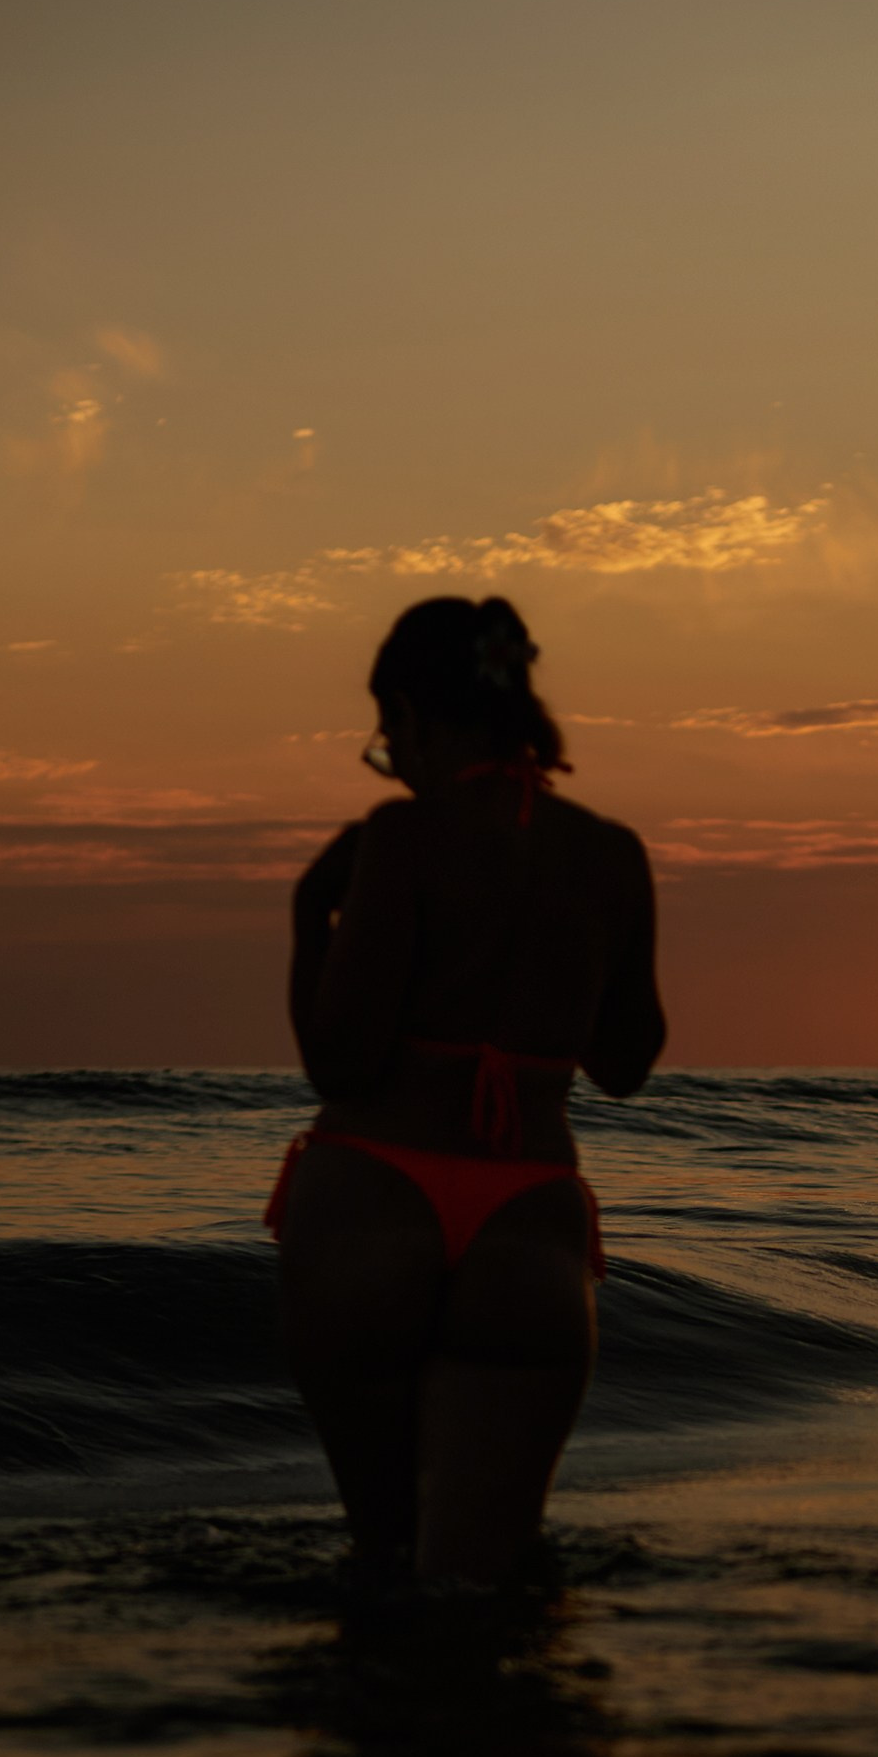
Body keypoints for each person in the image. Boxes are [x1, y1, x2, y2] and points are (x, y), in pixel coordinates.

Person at [268, 594, 664, 1604]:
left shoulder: (401, 841)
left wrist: (312, 919)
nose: (388, 757)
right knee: (483, 1591)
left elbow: (342, 1063)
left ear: (411, 711)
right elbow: (627, 1061)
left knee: (385, 1569)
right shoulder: (610, 854)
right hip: (528, 1221)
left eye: (385, 732)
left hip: (375, 1198)